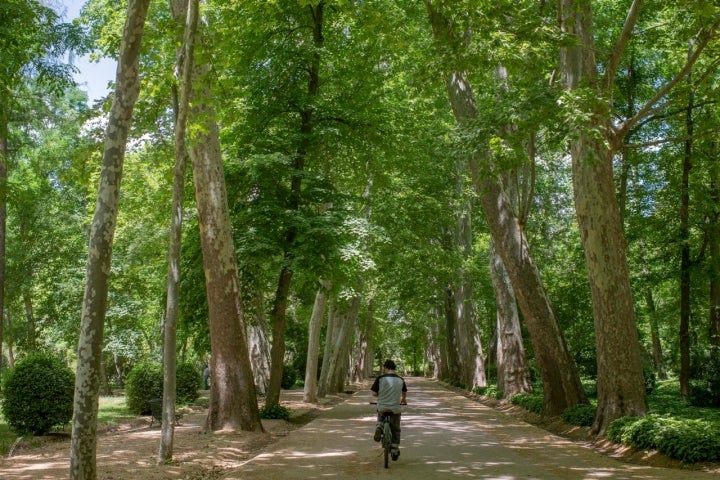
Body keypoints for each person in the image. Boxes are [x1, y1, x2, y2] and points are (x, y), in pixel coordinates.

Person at [371, 359, 407, 461]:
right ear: (394, 368)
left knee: (381, 415)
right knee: (395, 428)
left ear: (386, 367)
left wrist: (381, 395)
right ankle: (395, 450)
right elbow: (404, 393)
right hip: (395, 408)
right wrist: (403, 400)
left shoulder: (380, 378)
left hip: (382, 406)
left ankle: (379, 426)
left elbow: (373, 393)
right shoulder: (401, 379)